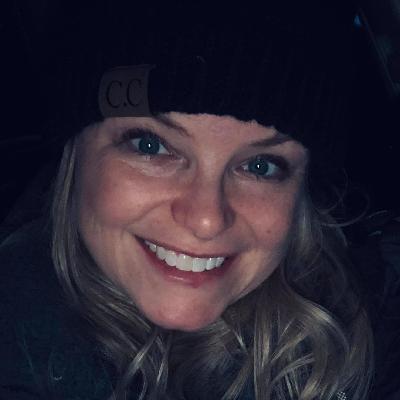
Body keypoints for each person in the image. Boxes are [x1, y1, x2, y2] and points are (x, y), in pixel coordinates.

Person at [1, 1, 390, 399]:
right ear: (75, 148)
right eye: (150, 145)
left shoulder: (373, 331)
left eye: (260, 167)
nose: (206, 219)